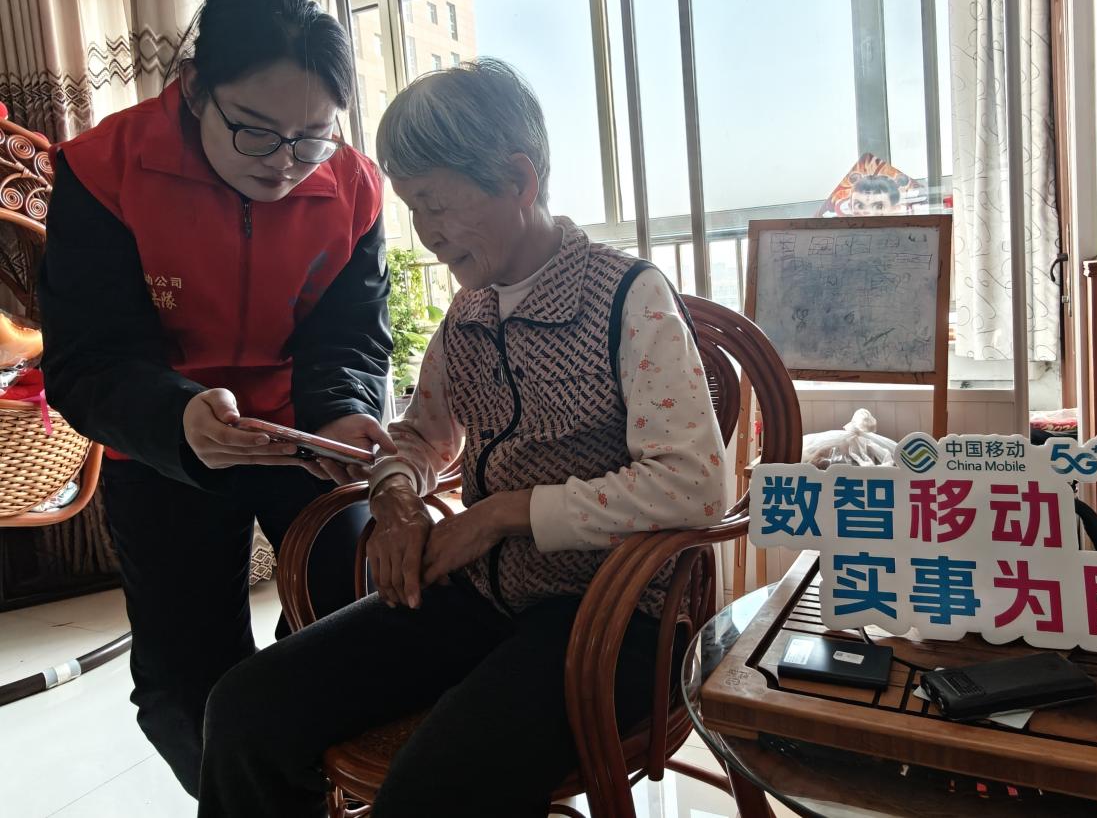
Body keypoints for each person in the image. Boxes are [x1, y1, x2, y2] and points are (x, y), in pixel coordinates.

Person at [198, 58, 727, 817]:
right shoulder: (468, 316)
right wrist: (396, 498)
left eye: (438, 204)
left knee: (436, 786)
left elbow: (694, 484)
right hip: (481, 596)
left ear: (518, 179)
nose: (427, 233)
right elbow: (421, 438)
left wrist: (503, 515)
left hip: (613, 616)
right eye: (413, 207)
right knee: (246, 709)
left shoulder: (625, 297)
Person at [36, 0, 394, 797]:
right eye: (256, 132)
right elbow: (88, 362)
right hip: (165, 440)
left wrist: (344, 414)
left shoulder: (353, 186)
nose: (286, 163)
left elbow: (349, 338)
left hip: (303, 434)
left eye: (313, 136)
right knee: (181, 685)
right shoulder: (104, 171)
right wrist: (177, 417)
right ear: (195, 87)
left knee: (354, 625)